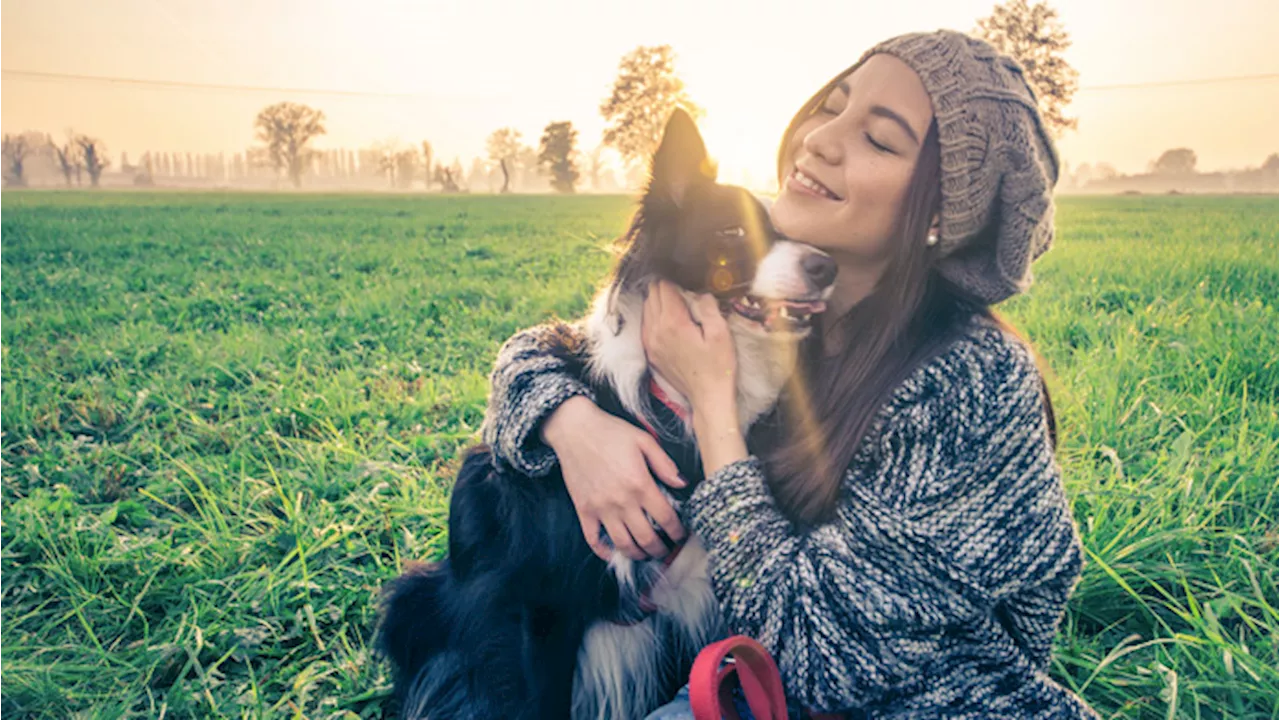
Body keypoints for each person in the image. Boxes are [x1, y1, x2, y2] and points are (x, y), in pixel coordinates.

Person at [479, 29, 1099, 719]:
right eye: (832, 106)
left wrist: (714, 411)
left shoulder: (973, 385)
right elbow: (541, 348)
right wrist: (571, 424)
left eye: (880, 140)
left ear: (940, 214)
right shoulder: (796, 315)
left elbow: (822, 659)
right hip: (749, 682)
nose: (822, 140)